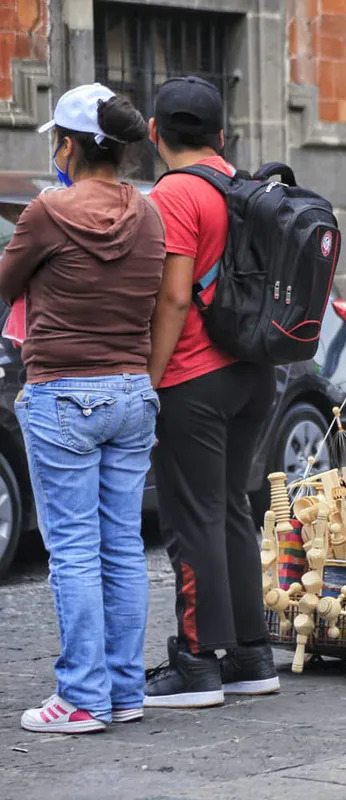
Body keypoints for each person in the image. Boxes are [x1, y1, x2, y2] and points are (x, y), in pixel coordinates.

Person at [0, 84, 164, 732]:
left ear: (69, 145)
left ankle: (82, 698)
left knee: (71, 549)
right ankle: (124, 692)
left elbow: (5, 284)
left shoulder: (47, 211)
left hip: (64, 394)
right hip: (131, 394)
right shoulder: (149, 215)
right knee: (122, 546)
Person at [142, 76, 279, 707]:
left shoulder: (174, 192)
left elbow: (173, 295)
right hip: (253, 371)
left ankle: (196, 662)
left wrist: (149, 377)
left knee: (191, 516)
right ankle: (252, 655)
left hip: (193, 375)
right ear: (222, 134)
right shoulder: (239, 183)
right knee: (231, 509)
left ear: (154, 133)